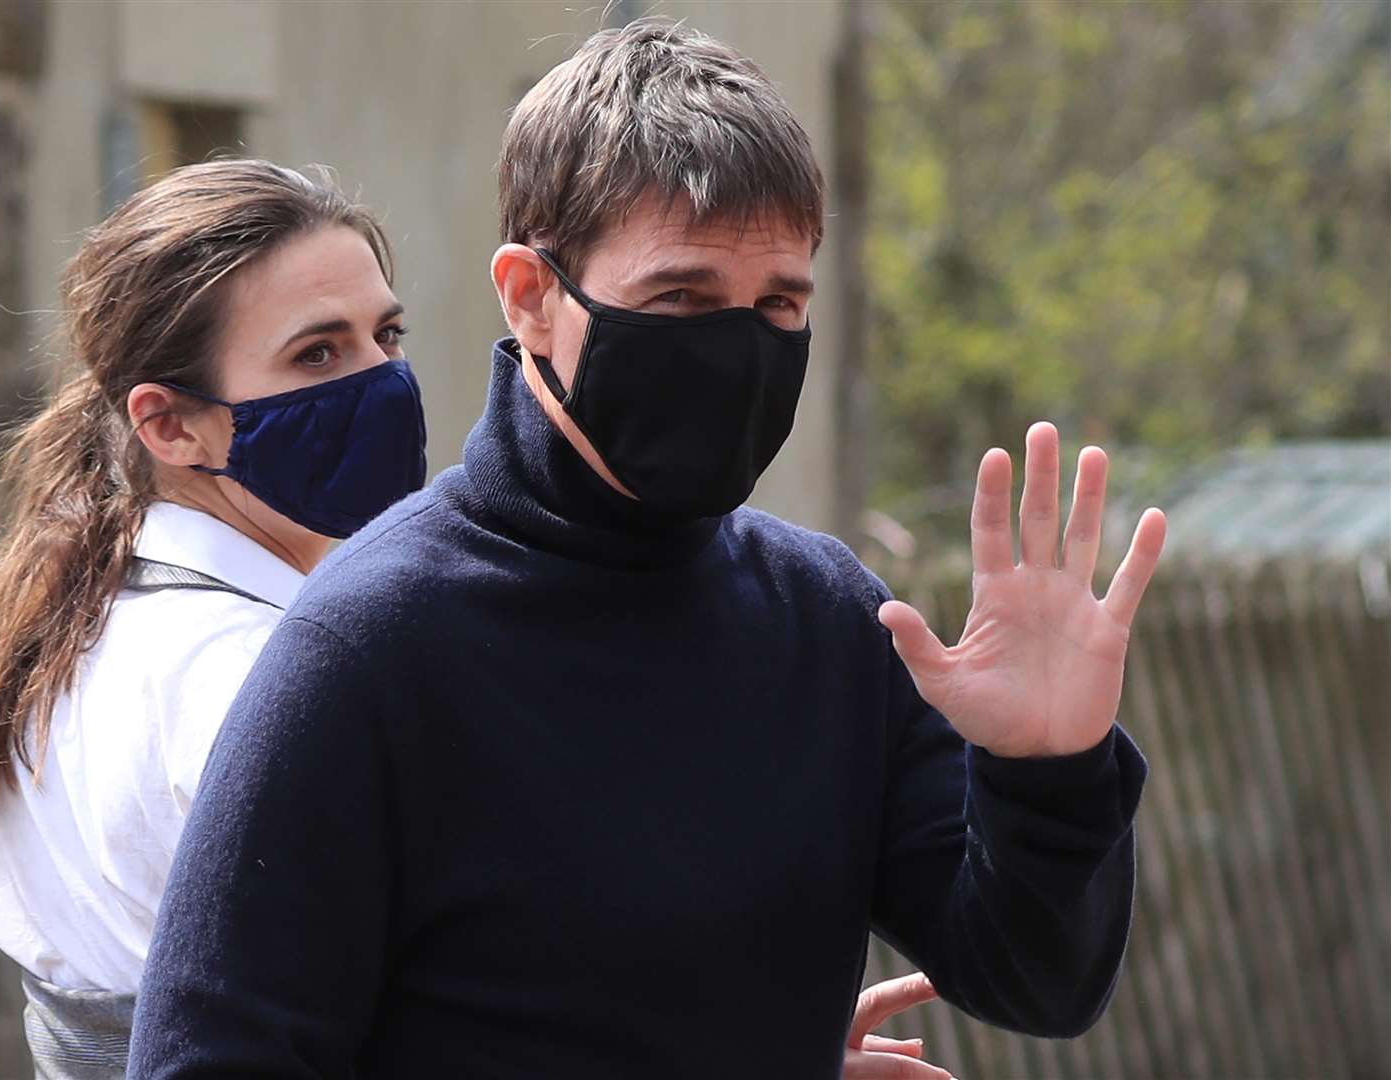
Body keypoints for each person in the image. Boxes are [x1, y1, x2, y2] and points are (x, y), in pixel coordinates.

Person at [130, 19, 1166, 1080]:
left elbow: (1036, 980)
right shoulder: (368, 647)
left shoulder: (821, 615)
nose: (735, 349)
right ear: (530, 297)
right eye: (680, 297)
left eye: (777, 303)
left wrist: (1045, 769)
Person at [0, 158, 428, 1077]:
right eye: (317, 354)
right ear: (171, 425)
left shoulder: (69, 618)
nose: (380, 380)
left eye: (386, 335)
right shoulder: (260, 669)